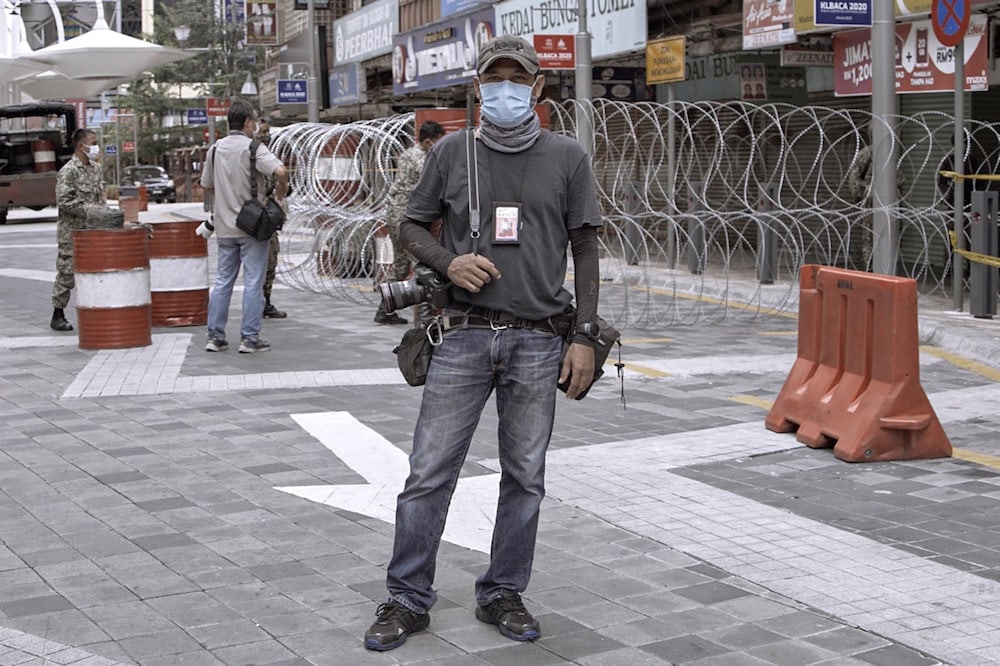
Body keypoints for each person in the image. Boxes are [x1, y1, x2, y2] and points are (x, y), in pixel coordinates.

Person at [364, 34, 603, 651]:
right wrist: (448, 264)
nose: (504, 90)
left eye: (515, 79)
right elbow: (410, 223)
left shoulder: (568, 157)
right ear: (477, 88)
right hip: (463, 336)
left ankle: (502, 590)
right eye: (493, 80)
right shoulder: (450, 152)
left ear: (537, 88)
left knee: (524, 475)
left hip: (539, 341)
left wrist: (584, 336)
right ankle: (406, 597)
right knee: (428, 472)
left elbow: (585, 247)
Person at [200, 98, 288, 353]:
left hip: (224, 227)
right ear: (248, 122)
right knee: (253, 282)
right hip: (252, 228)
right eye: (256, 120)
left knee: (223, 281)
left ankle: (215, 336)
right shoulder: (254, 148)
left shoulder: (215, 149)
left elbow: (206, 184)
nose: (258, 125)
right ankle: (250, 338)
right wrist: (281, 190)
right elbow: (280, 171)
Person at [374, 119, 446, 325]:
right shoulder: (424, 160)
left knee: (400, 266)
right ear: (428, 142)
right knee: (422, 267)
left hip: (395, 214)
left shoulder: (408, 154)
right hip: (408, 219)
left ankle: (384, 310)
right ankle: (424, 321)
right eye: (438, 141)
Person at [50, 128, 105, 332]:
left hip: (93, 231)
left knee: (95, 272)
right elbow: (64, 202)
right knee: (66, 273)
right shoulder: (68, 171)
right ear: (81, 145)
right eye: (93, 142)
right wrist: (90, 210)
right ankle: (58, 314)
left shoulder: (95, 169)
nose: (96, 146)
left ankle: (95, 311)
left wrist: (103, 213)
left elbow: (100, 197)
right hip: (72, 232)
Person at [255, 119, 287, 320]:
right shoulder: (256, 155)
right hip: (258, 216)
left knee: (270, 259)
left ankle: (263, 301)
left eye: (268, 131)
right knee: (264, 261)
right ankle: (260, 302)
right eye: (263, 131)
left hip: (264, 216)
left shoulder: (265, 154)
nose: (267, 135)